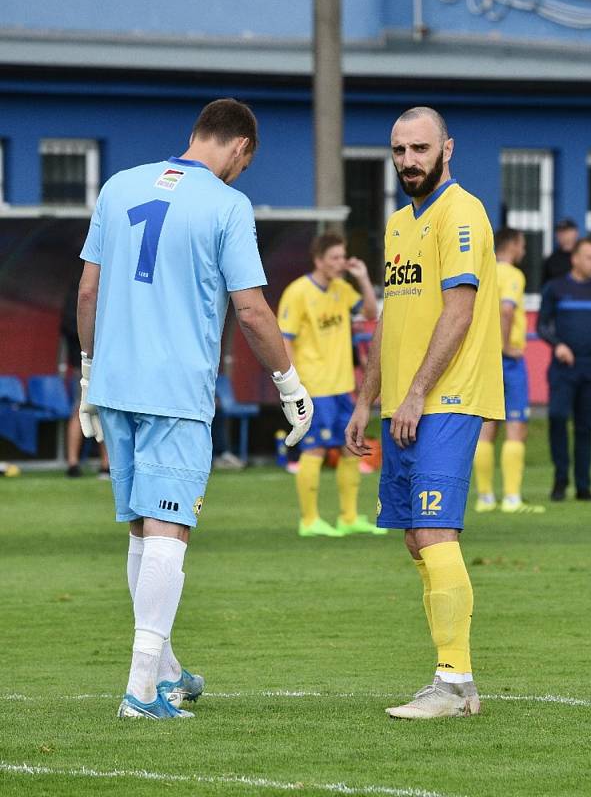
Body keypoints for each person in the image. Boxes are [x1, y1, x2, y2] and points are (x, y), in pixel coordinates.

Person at [77, 98, 313, 720]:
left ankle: (168, 671)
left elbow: (88, 289)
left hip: (115, 383)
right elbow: (253, 308)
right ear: (242, 149)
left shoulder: (119, 185)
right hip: (175, 390)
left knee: (140, 526)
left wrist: (86, 373)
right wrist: (288, 382)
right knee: (168, 529)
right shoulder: (227, 203)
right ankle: (139, 689)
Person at [346, 106, 504, 719]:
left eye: (420, 148)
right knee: (417, 537)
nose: (409, 161)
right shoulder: (397, 225)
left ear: (447, 149)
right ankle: (450, 675)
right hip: (405, 403)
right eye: (399, 150)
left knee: (436, 530)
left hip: (448, 397)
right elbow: (392, 317)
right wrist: (367, 399)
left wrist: (414, 393)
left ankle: (456, 681)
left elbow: (458, 312)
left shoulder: (461, 213)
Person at [277, 233, 383, 537]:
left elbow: (370, 313)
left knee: (351, 448)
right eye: (334, 257)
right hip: (314, 387)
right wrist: (292, 384)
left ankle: (349, 517)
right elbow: (286, 338)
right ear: (319, 260)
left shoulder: (341, 289)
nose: (340, 263)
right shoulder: (298, 292)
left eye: (342, 256)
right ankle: (309, 521)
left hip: (342, 387)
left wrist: (363, 278)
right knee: (316, 450)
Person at [473, 228, 545, 514]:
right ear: (513, 245)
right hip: (507, 359)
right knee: (516, 427)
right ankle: (512, 498)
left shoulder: (484, 270)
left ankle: (485, 497)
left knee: (486, 428)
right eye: (523, 245)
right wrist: (505, 346)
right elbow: (506, 310)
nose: (524, 251)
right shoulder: (513, 275)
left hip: (484, 358)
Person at [538, 237, 591, 501]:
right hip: (564, 368)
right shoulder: (555, 288)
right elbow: (543, 325)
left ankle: (583, 486)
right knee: (557, 417)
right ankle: (560, 480)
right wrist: (557, 345)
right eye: (589, 257)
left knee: (585, 427)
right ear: (575, 259)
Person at [60, 269, 110, 478]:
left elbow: (67, 329)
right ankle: (106, 465)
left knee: (79, 410)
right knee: (107, 411)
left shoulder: (74, 295)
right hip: (97, 361)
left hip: (81, 361)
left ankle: (73, 463)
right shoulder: (97, 293)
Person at [541, 218, 579, 286]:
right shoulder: (552, 260)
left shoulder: (584, 256)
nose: (561, 235)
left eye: (565, 231)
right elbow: (545, 286)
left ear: (575, 233)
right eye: (559, 232)